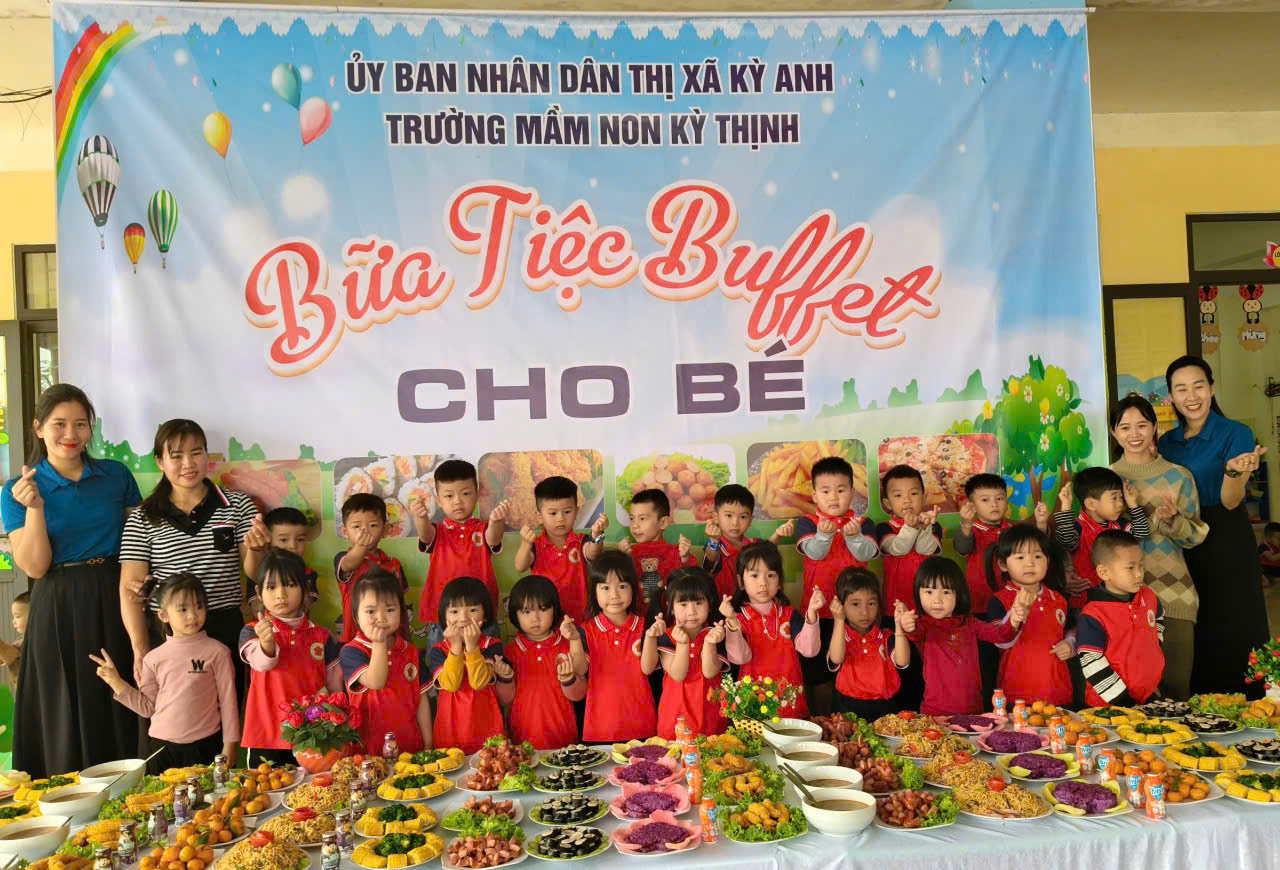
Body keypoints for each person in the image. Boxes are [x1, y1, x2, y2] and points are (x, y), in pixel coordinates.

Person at [2, 384, 141, 776]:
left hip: (113, 594)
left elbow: (139, 540)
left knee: (117, 693)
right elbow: (35, 567)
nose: (71, 434)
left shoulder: (116, 475)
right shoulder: (16, 490)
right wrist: (35, 507)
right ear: (38, 428)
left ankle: (128, 793)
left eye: (81, 424)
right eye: (59, 424)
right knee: (61, 703)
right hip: (56, 602)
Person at [119, 419, 257, 698]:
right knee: (170, 715)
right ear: (160, 462)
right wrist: (140, 648)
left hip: (223, 628)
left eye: (196, 452)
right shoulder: (143, 517)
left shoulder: (238, 505)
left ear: (207, 455)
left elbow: (255, 573)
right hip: (168, 634)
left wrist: (258, 548)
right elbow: (129, 590)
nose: (188, 464)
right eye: (176, 456)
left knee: (225, 712)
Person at [1158, 355, 1269, 696]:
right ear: (1171, 397)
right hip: (1182, 537)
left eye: (1199, 386)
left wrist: (1234, 471)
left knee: (1233, 620)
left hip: (1225, 537)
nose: (1191, 396)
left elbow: (1231, 501)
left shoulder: (1236, 433)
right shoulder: (1167, 442)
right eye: (1181, 389)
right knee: (1195, 622)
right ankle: (1199, 705)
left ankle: (1246, 704)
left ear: (1212, 388)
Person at [1109, 393, 1208, 700]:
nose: (1134, 434)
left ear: (1155, 428)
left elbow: (1195, 537)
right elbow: (1100, 539)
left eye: (1142, 425)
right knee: (1130, 695)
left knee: (1176, 690)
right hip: (1121, 599)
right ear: (1114, 432)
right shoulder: (1107, 479)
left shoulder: (1179, 476)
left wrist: (1174, 521)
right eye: (1125, 427)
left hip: (1173, 593)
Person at [91, 574, 239, 773]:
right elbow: (147, 708)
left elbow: (229, 703)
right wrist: (115, 682)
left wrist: (230, 745)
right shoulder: (153, 658)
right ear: (163, 615)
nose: (192, 615)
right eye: (183, 609)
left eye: (199, 606)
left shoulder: (218, 652)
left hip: (205, 747)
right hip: (162, 750)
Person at [240, 549, 343, 766]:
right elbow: (262, 663)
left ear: (305, 588)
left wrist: (337, 725)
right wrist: (266, 642)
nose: (281, 594)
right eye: (271, 587)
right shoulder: (252, 631)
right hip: (266, 738)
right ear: (259, 592)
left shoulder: (323, 636)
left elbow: (335, 690)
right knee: (264, 788)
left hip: (313, 738)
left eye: (290, 585)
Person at [898, 556, 1032, 715]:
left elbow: (1001, 635)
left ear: (958, 594)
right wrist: (907, 624)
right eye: (929, 592)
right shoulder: (923, 626)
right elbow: (914, 632)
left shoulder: (970, 623)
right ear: (918, 593)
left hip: (973, 712)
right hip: (934, 714)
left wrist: (1014, 620)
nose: (937, 600)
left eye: (946, 592)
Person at [795, 456, 877, 714]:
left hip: (857, 616)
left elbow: (867, 553)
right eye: (826, 491)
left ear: (852, 493)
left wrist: (854, 537)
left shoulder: (863, 523)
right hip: (818, 614)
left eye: (841, 490)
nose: (833, 497)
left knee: (854, 670)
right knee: (820, 676)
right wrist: (824, 534)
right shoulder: (807, 522)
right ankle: (823, 723)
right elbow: (815, 552)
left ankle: (852, 724)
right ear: (814, 495)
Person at [410, 459, 507, 646]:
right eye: (449, 496)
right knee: (442, 662)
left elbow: (493, 539)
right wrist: (421, 518)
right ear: (438, 500)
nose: (458, 501)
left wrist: (497, 521)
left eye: (466, 493)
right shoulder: (438, 531)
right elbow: (425, 535)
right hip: (443, 617)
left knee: (488, 660)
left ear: (477, 494)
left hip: (481, 616)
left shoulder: (482, 529)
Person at [724, 541, 821, 717]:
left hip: (791, 706)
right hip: (753, 708)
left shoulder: (790, 614)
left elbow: (809, 650)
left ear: (779, 581)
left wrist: (812, 613)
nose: (763, 583)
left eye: (770, 575)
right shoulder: (737, 618)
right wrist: (731, 622)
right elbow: (739, 658)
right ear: (740, 581)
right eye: (754, 575)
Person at [341, 569, 432, 753]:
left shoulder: (411, 651)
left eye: (390, 609)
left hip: (410, 747)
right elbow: (376, 681)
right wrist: (379, 643)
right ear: (356, 616)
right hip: (368, 751)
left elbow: (421, 701)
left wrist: (428, 744)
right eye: (371, 611)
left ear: (401, 612)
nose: (381, 618)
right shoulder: (352, 651)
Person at [571, 551, 657, 742]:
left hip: (642, 727)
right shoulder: (586, 631)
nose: (614, 595)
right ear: (594, 591)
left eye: (622, 586)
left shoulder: (646, 627)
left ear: (633, 588)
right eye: (605, 587)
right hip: (600, 730)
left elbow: (649, 668)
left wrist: (652, 636)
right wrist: (574, 640)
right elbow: (579, 669)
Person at [984, 526, 1073, 706]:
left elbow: (1072, 629)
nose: (1030, 563)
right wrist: (1016, 614)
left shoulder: (1058, 599)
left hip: (1057, 693)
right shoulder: (999, 600)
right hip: (1016, 695)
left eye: (1037, 556)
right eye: (1020, 557)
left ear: (1047, 561)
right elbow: (1000, 641)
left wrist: (1071, 643)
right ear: (1003, 564)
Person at [1077, 530, 1165, 706]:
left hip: (1146, 699)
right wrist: (1124, 703)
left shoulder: (1149, 596)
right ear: (1104, 572)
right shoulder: (1093, 614)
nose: (1139, 574)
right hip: (1109, 707)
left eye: (1141, 565)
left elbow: (1159, 618)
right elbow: (1091, 661)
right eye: (1130, 568)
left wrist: (1153, 649)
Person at [499, 575, 584, 749]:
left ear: (555, 609)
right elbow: (503, 700)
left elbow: (579, 694)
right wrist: (505, 678)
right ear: (514, 614)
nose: (535, 618)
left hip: (564, 737)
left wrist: (568, 679)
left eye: (543, 609)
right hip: (522, 740)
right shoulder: (509, 652)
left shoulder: (567, 646)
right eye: (526, 612)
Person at [1051, 467, 1150, 609]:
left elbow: (1142, 532)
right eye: (1114, 498)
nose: (1120, 503)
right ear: (1091, 504)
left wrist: (1132, 502)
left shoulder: (1119, 524)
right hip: (1085, 601)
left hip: (1118, 598)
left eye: (1121, 497)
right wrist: (1065, 507)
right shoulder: (1077, 527)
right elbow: (1066, 541)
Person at [514, 476, 608, 622]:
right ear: (539, 516)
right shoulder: (535, 545)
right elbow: (520, 566)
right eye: (553, 513)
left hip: (581, 619)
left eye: (567, 512)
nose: (560, 519)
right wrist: (526, 544)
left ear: (577, 511)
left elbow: (593, 553)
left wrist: (597, 534)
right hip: (546, 622)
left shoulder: (581, 541)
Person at [954, 474, 1050, 616]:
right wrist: (965, 524)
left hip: (1012, 602)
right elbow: (963, 548)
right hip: (980, 603)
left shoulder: (1011, 530)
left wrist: (1041, 523)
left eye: (999, 498)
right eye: (985, 500)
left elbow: (1038, 548)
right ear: (972, 505)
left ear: (1006, 501)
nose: (994, 504)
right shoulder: (971, 530)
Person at [427, 576, 503, 753]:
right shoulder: (439, 649)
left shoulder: (492, 644)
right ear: (444, 617)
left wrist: (472, 646)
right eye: (454, 611)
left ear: (485, 615)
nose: (463, 618)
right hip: (449, 734)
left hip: (488, 733)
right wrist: (455, 647)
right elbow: (451, 685)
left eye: (473, 610)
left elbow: (478, 682)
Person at [653, 568, 727, 739]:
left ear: (709, 604)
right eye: (683, 604)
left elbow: (709, 672)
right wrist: (682, 644)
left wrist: (709, 643)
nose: (692, 611)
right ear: (671, 607)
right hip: (675, 720)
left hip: (710, 718)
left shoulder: (717, 633)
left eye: (699, 603)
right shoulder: (666, 635)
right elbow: (678, 675)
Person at [826, 568, 908, 720]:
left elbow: (902, 661)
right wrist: (838, 620)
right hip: (847, 707)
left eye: (871, 603)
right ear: (841, 605)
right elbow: (836, 658)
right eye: (855, 604)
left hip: (885, 707)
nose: (864, 612)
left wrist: (899, 626)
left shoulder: (886, 636)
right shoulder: (840, 636)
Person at [334, 493, 407, 643]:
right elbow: (349, 564)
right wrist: (361, 546)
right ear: (345, 532)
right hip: (355, 640)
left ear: (385, 529)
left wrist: (406, 638)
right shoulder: (344, 558)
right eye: (356, 526)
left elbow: (401, 606)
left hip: (390, 639)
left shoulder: (394, 564)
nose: (364, 531)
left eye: (372, 525)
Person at [701, 484, 793, 600]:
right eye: (729, 515)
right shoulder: (715, 546)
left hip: (752, 606)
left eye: (743, 517)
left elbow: (767, 549)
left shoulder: (753, 544)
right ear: (716, 517)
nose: (735, 522)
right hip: (724, 606)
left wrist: (778, 535)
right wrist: (714, 540)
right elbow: (711, 558)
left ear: (750, 520)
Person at [876, 465, 944, 615]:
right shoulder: (884, 527)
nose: (907, 500)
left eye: (913, 493)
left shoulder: (933, 525)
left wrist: (925, 527)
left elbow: (924, 549)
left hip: (929, 606)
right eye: (898, 495)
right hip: (895, 606)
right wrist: (911, 527)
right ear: (887, 503)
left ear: (924, 497)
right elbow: (898, 549)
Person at [617, 489, 695, 616]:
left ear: (663, 522)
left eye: (642, 519)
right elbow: (617, 584)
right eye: (632, 518)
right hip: (636, 620)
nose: (635, 525)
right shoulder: (628, 552)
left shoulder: (677, 552)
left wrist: (685, 558)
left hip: (669, 620)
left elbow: (692, 585)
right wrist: (621, 558)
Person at [244, 507, 319, 607]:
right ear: (268, 542)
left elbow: (305, 607)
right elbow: (256, 608)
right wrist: (255, 548)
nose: (293, 546)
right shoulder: (261, 572)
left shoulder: (307, 573)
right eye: (283, 540)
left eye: (300, 539)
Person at [0, 592, 29, 690]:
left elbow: (12, 654)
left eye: (17, 616)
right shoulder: (21, 639)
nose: (13, 621)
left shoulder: (30, 641)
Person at [1260, 522, 1280, 586]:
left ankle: (1275, 579)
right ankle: (1269, 580)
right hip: (1267, 569)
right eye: (1279, 539)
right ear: (1268, 538)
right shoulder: (1263, 546)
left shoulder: (1277, 547)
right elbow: (1271, 558)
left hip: (1276, 569)